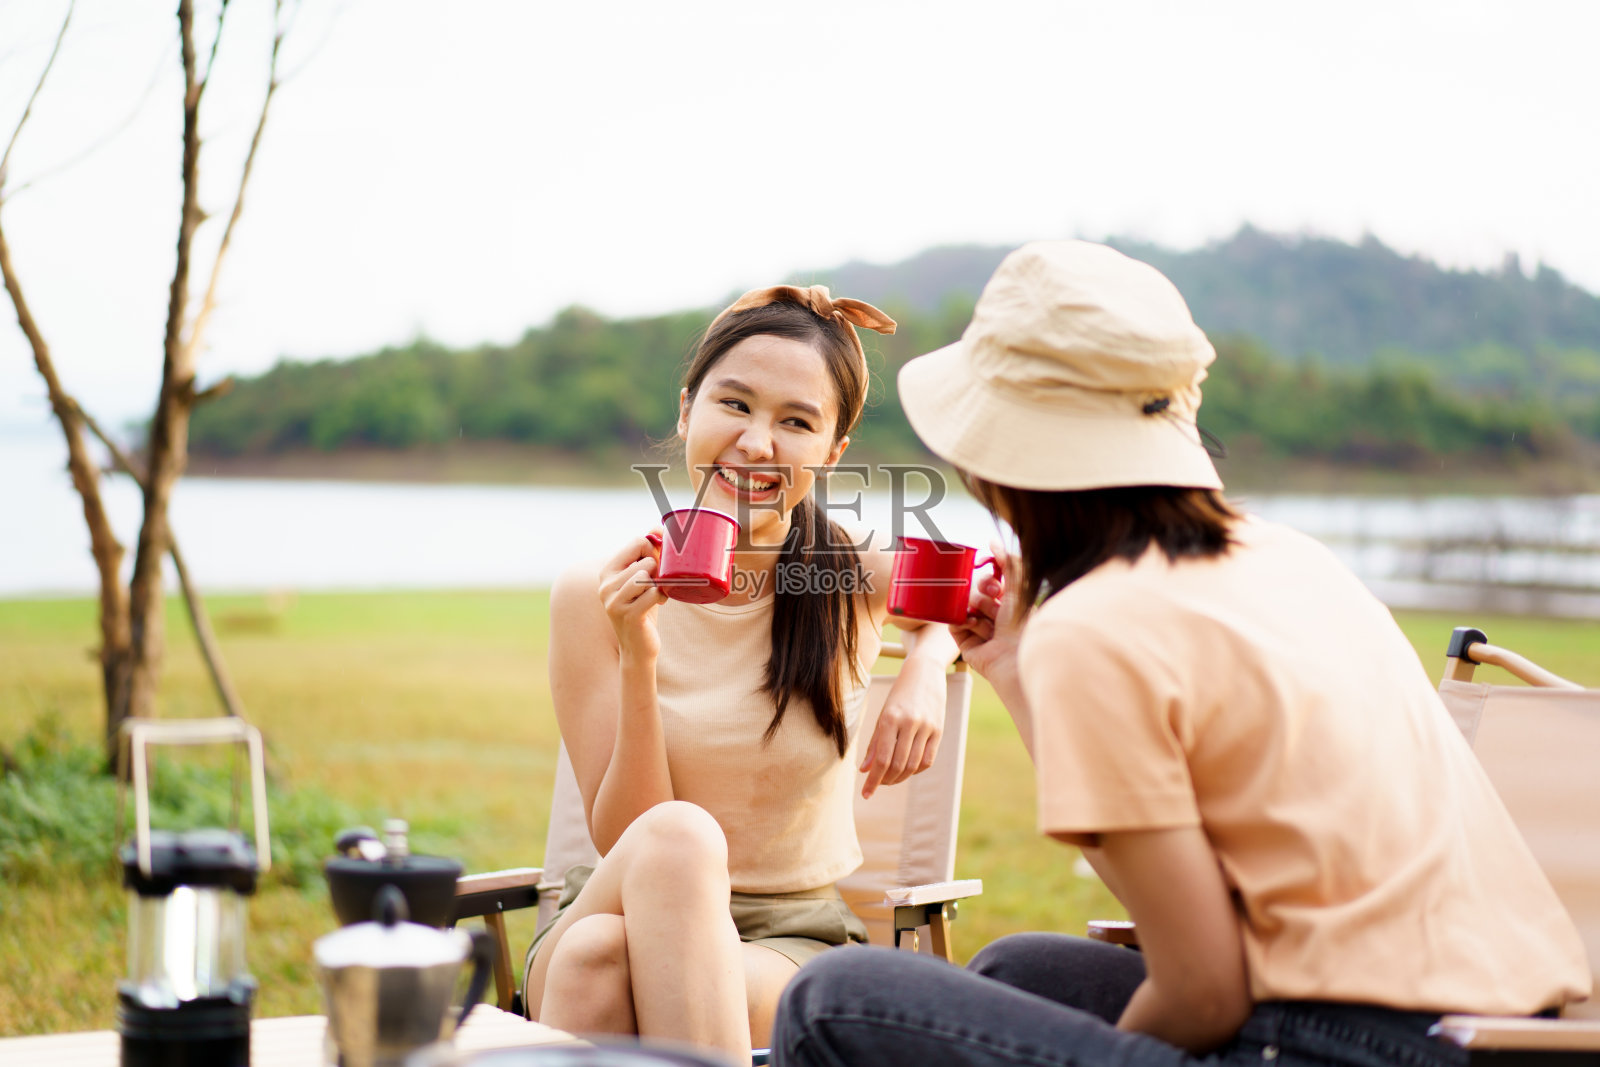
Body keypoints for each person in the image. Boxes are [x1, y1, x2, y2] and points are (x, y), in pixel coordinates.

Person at [770, 241, 1591, 1067]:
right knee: (1018, 970)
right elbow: (1174, 903)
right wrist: (1017, 667)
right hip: (1510, 1036)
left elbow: (1203, 989)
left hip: (1344, 1049)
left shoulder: (1097, 624)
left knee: (833, 997)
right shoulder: (1291, 558)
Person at [526, 285, 961, 1061]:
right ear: (687, 408)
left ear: (833, 451)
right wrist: (638, 655)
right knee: (670, 846)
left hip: (787, 936)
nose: (757, 443)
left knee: (597, 963)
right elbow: (630, 835)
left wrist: (929, 661)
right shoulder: (596, 592)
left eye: (796, 421)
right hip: (615, 898)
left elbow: (981, 594)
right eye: (735, 404)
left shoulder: (851, 573)